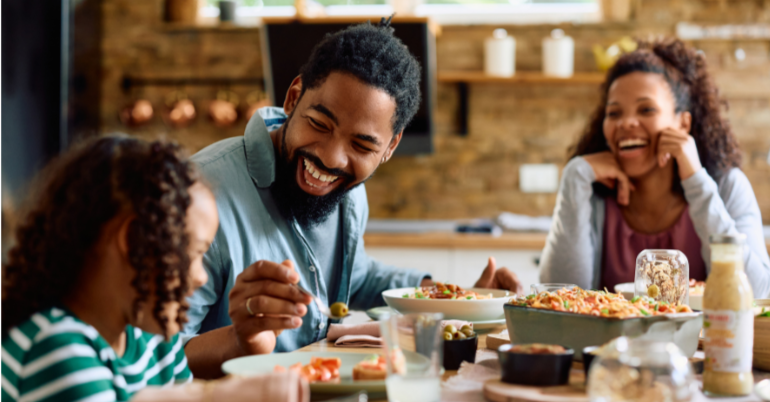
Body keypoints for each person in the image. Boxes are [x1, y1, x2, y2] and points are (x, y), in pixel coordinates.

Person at [181, 19, 523, 379]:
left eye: (361, 145)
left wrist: (457, 299)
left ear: (390, 147)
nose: (331, 158)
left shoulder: (349, 195)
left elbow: (354, 276)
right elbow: (151, 355)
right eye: (319, 124)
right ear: (293, 97)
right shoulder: (199, 196)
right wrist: (242, 339)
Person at [539, 38, 770, 296]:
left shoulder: (727, 187)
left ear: (682, 124)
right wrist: (574, 176)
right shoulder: (593, 193)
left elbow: (757, 295)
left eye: (646, 109)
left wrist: (695, 181)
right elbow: (557, 300)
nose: (626, 123)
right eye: (614, 113)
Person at [1, 136, 220, 401]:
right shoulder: (57, 348)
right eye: (195, 253)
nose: (201, 276)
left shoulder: (156, 340)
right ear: (132, 239)